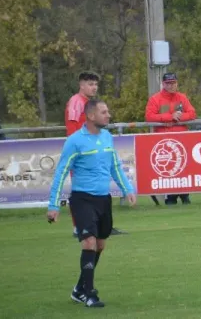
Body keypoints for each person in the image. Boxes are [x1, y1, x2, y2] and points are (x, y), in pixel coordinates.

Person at [47, 99, 137, 308]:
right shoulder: (75, 141)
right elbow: (61, 172)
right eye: (104, 112)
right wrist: (53, 205)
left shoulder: (107, 137)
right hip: (82, 199)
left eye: (108, 111)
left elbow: (115, 165)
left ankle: (79, 289)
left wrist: (128, 189)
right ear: (91, 116)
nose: (109, 115)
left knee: (100, 245)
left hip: (103, 200)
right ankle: (89, 294)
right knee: (88, 242)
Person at [65, 71, 125, 236]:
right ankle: (79, 228)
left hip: (93, 152)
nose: (94, 87)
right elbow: (72, 130)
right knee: (81, 191)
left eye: (96, 84)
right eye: (90, 84)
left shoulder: (90, 103)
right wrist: (78, 151)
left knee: (99, 185)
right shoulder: (76, 103)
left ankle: (99, 225)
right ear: (81, 85)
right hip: (82, 154)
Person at [145, 72, 197, 205]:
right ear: (163, 84)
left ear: (177, 83)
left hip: (182, 139)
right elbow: (149, 116)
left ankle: (185, 196)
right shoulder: (155, 99)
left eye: (173, 83)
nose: (171, 85)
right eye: (168, 83)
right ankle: (171, 198)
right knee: (169, 170)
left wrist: (179, 117)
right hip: (164, 141)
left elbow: (192, 113)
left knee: (184, 169)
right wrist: (169, 117)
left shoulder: (182, 97)